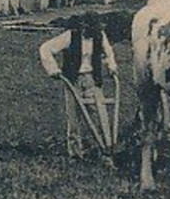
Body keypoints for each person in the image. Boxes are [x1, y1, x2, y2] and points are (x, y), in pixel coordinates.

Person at [39, 13, 118, 156]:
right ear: (83, 27)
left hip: (92, 79)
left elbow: (109, 53)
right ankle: (75, 153)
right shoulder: (70, 36)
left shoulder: (99, 36)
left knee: (99, 115)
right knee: (74, 117)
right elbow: (45, 48)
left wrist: (111, 66)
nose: (92, 33)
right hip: (73, 80)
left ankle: (102, 148)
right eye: (89, 29)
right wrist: (53, 70)